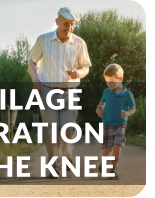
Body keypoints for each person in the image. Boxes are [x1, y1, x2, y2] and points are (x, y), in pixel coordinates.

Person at [28, 7, 92, 179]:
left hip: (70, 91)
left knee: (68, 129)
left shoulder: (79, 43)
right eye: (66, 24)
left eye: (72, 25)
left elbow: (85, 67)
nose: (69, 28)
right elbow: (32, 62)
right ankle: (54, 167)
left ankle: (68, 152)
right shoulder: (43, 40)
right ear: (57, 22)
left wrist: (78, 73)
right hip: (47, 90)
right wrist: (35, 79)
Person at [96, 64, 136, 180]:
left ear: (120, 79)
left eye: (112, 81)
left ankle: (112, 171)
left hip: (120, 124)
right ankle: (104, 163)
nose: (109, 84)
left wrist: (127, 113)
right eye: (107, 82)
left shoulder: (127, 94)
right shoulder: (106, 92)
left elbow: (133, 108)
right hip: (107, 124)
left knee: (117, 147)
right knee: (107, 150)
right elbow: (100, 104)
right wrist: (99, 110)